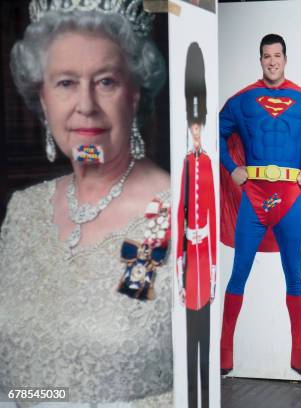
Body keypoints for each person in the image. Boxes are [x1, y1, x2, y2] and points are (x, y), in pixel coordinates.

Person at [0, 1, 172, 404]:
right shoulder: (23, 211)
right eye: (65, 83)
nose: (86, 106)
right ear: (42, 100)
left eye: (106, 81)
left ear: (135, 92)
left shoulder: (169, 213)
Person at [218, 33, 301, 377]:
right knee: (239, 273)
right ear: (260, 59)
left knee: (294, 276)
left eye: (277, 55)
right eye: (266, 56)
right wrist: (230, 166)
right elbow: (215, 132)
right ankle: (225, 350)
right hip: (254, 197)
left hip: (290, 199)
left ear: (285, 58)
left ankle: (298, 350)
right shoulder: (243, 101)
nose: (272, 61)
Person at [176, 42, 216, 408]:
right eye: (193, 127)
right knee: (191, 343)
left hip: (206, 263)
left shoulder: (205, 165)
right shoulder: (186, 163)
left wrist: (214, 270)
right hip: (191, 264)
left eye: (199, 127)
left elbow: (214, 218)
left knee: (204, 341)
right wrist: (179, 268)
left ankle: (205, 399)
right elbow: (180, 212)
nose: (197, 132)